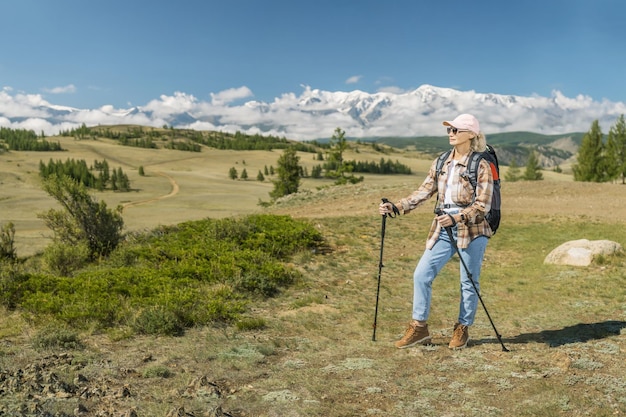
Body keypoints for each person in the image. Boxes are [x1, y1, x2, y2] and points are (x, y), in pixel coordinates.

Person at [378, 113, 494, 350]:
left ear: (471, 134)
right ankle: (419, 328)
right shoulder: (442, 161)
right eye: (449, 130)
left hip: (472, 230)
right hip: (443, 228)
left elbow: (483, 205)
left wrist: (458, 217)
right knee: (421, 275)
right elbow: (424, 190)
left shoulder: (480, 164)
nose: (451, 134)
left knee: (468, 282)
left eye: (456, 130)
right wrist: (397, 206)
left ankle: (462, 328)